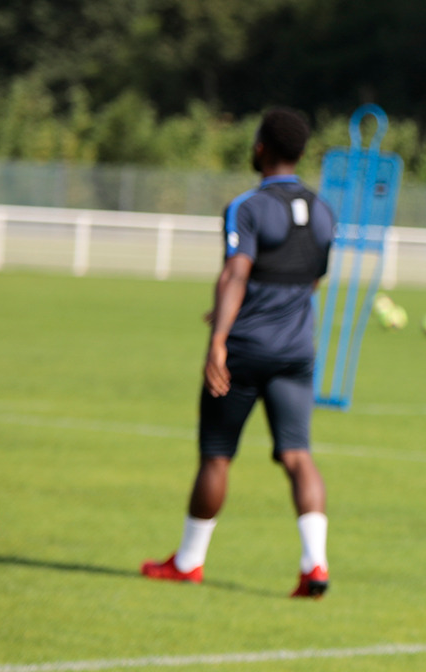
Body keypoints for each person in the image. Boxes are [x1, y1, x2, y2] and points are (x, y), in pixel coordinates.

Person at [141, 107, 337, 598]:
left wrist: (218, 341)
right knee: (298, 455)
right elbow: (311, 278)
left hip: (246, 350)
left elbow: (236, 272)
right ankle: (315, 566)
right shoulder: (324, 209)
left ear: (260, 148)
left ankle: (188, 562)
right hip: (297, 349)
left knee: (217, 457)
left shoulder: (246, 206)